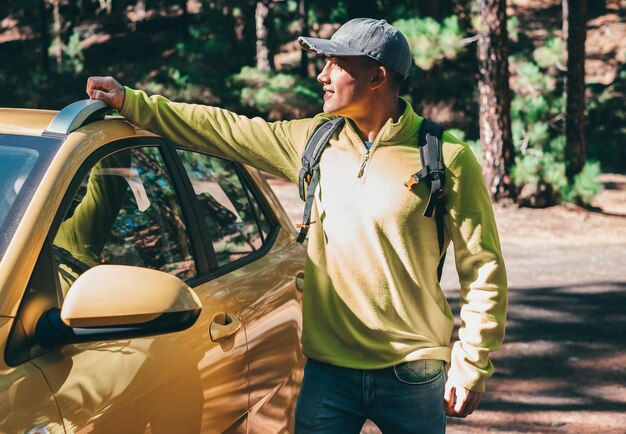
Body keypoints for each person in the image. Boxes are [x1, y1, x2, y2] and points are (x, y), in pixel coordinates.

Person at [86, 18, 507, 434]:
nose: (322, 75)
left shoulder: (445, 157)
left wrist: (471, 364)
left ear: (377, 76)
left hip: (412, 372)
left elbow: (483, 269)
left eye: (336, 64)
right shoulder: (314, 140)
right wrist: (132, 103)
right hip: (328, 373)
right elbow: (222, 129)